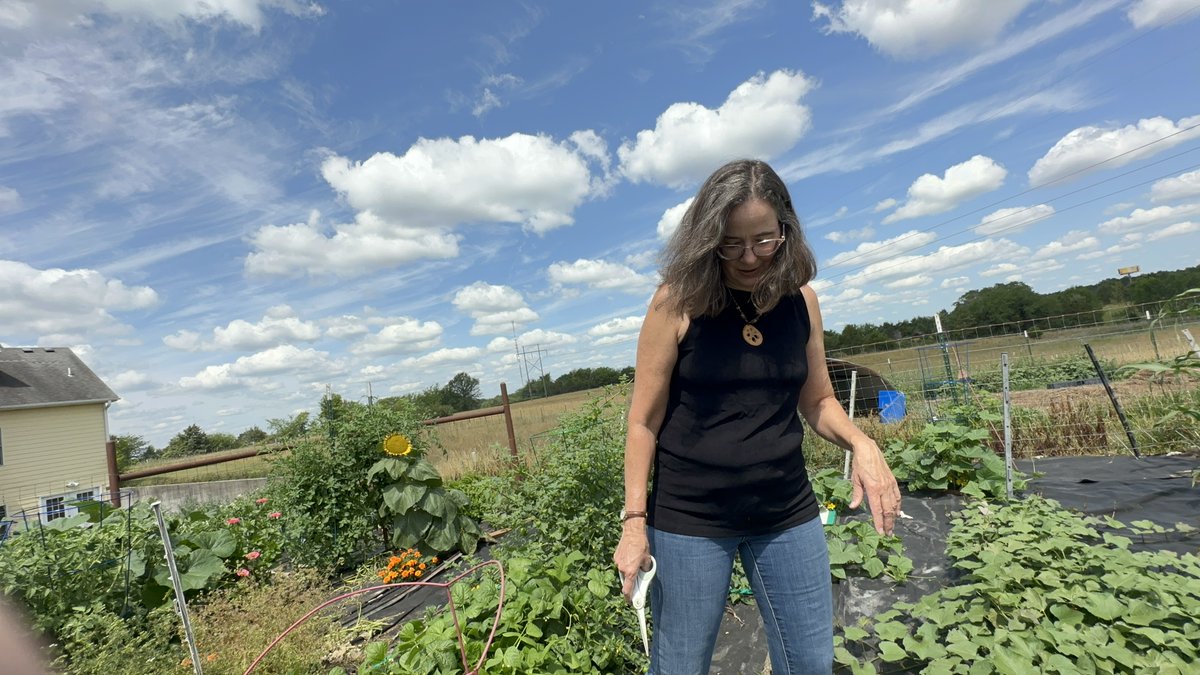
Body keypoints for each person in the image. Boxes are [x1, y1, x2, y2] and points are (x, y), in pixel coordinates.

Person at [612, 159, 901, 675]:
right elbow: (643, 422)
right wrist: (634, 522)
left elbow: (818, 400)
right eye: (731, 244)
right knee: (680, 666)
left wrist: (863, 443)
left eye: (764, 240)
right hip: (692, 520)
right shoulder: (676, 303)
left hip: (786, 511)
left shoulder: (801, 302)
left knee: (810, 663)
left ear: (785, 231)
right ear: (707, 239)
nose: (749, 257)